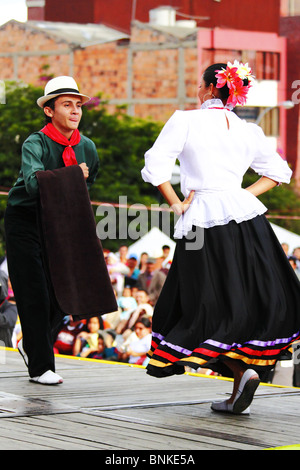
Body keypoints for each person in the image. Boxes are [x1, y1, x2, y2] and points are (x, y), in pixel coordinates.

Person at [141, 61, 300, 415]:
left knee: (202, 303)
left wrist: (177, 204)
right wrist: (241, 196)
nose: (197, 89)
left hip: (202, 219)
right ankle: (236, 390)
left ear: (212, 88)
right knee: (239, 301)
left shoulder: (185, 119)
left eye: (200, 83)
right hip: (248, 220)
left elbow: (156, 165)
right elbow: (279, 173)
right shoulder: (249, 130)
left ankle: (242, 372)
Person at [4, 76, 101, 385]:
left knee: (64, 295)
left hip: (60, 223)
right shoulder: (36, 141)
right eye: (66, 105)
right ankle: (41, 366)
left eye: (78, 105)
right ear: (49, 110)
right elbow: (33, 185)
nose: (75, 111)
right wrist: (71, 175)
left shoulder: (87, 146)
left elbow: (89, 182)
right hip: (25, 220)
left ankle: (30, 342)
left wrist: (74, 183)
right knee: (34, 294)